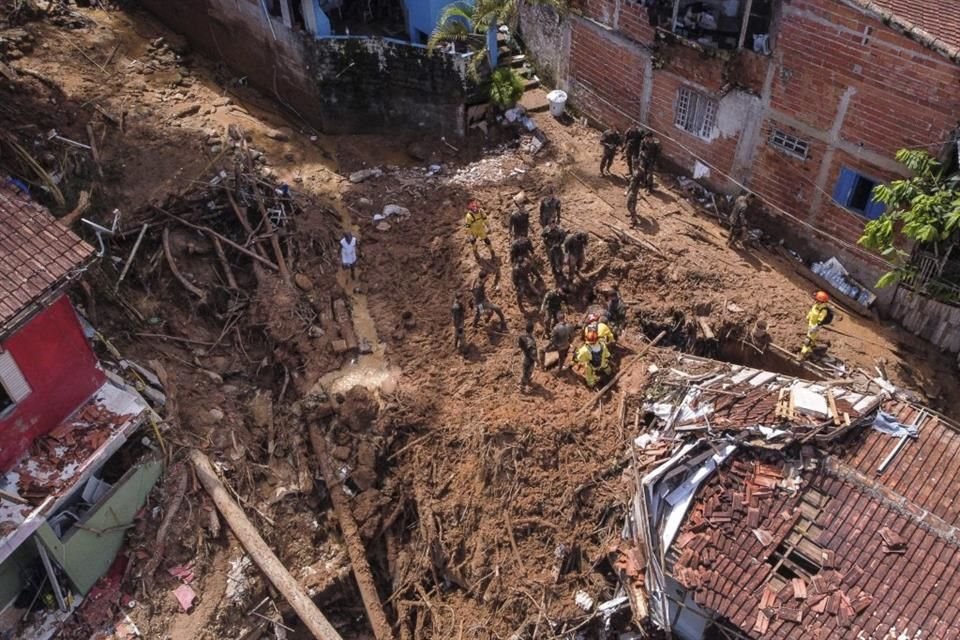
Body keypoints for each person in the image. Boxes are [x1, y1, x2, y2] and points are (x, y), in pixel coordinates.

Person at [799, 291, 833, 360]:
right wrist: (808, 317)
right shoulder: (816, 305)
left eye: (816, 299)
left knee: (807, 341)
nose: (815, 299)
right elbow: (812, 311)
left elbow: (820, 320)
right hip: (811, 325)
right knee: (811, 338)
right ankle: (812, 348)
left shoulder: (823, 310)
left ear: (820, 300)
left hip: (815, 327)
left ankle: (802, 354)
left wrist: (815, 327)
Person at [518, 321, 538, 392]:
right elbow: (533, 353)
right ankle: (522, 387)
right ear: (532, 330)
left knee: (525, 371)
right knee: (527, 372)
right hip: (529, 360)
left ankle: (528, 381)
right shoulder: (531, 341)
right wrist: (537, 360)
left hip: (524, 355)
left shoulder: (521, 336)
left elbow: (520, 346)